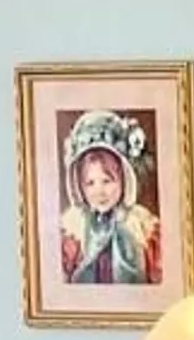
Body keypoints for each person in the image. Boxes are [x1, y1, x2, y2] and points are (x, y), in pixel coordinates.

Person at [58, 110, 160, 286]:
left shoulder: (142, 225)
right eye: (90, 183)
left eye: (107, 181)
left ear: (124, 179)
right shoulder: (73, 227)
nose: (100, 192)